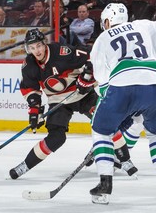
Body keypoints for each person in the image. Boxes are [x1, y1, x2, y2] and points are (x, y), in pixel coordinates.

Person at [89, 3, 156, 204]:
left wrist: (121, 112)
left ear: (107, 21)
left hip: (123, 85)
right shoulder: (143, 26)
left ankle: (105, 184)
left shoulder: (102, 39)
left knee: (101, 130)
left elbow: (103, 84)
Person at [8, 28, 98, 179]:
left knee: (103, 122)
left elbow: (89, 56)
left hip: (82, 94)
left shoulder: (61, 51)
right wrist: (34, 112)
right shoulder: (29, 64)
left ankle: (109, 153)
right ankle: (25, 165)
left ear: (44, 44)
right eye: (31, 47)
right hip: (58, 101)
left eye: (38, 46)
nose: (36, 50)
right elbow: (31, 90)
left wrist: (87, 75)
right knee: (57, 137)